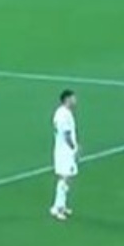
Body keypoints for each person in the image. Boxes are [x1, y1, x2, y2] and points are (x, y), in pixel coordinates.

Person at [51, 89, 79, 222]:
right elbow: (66, 134)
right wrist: (74, 148)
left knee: (67, 178)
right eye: (73, 98)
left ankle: (60, 205)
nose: (75, 100)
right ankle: (58, 208)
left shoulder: (64, 113)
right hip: (64, 151)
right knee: (65, 178)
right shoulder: (63, 115)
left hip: (65, 150)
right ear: (67, 99)